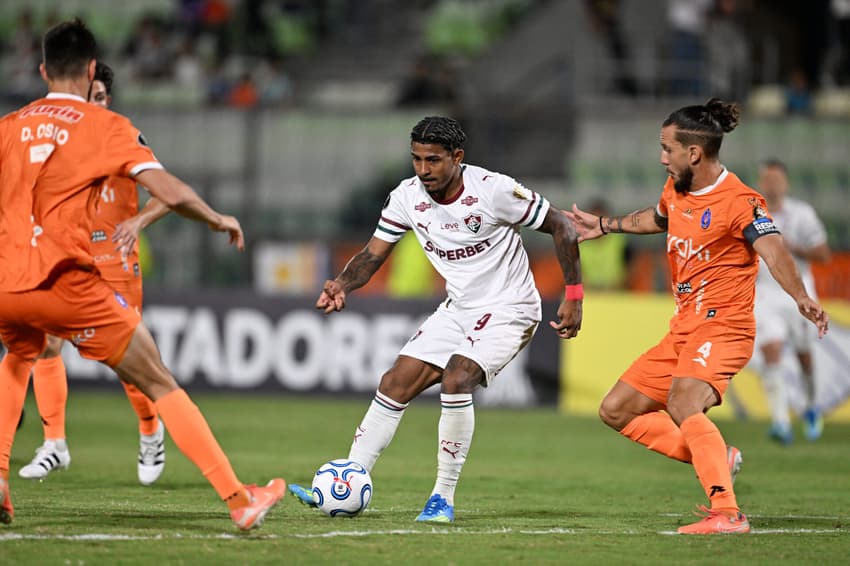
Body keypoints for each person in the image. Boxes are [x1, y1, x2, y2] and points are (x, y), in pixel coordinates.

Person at [0, 19, 285, 530]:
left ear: (42, 69)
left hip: (5, 283)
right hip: (65, 281)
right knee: (158, 380)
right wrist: (218, 218)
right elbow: (170, 191)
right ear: (91, 71)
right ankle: (240, 499)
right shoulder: (104, 125)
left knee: (20, 355)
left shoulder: (9, 125)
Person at [288, 116, 583, 522]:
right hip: (459, 308)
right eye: (416, 159)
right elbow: (374, 253)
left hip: (510, 309)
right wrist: (342, 284)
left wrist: (574, 296)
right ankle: (348, 481)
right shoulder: (407, 196)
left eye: (433, 160)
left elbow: (563, 226)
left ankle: (442, 497)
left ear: (457, 157)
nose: (423, 170)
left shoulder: (494, 191)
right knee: (394, 383)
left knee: (457, 378)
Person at [566, 98, 828, 535]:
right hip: (684, 328)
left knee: (683, 402)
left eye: (667, 148)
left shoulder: (741, 201)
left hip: (725, 327)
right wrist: (606, 225)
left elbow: (775, 251)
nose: (661, 157)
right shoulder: (677, 189)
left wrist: (802, 297)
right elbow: (658, 218)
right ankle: (714, 457)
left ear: (694, 153)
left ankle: (727, 513)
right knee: (615, 410)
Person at [18, 62, 172, 485]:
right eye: (90, 96)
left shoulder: (123, 136)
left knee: (129, 364)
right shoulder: (58, 142)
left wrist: (137, 222)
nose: (94, 103)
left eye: (101, 97)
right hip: (68, 258)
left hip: (117, 265)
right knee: (47, 344)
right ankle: (54, 444)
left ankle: (149, 430)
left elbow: (167, 192)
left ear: (110, 100)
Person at [753, 159, 831, 444]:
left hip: (800, 291)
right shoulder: (753, 213)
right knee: (770, 349)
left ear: (785, 183)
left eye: (776, 178)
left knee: (804, 355)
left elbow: (823, 254)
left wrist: (790, 247)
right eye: (766, 178)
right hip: (765, 293)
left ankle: (811, 407)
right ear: (761, 182)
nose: (771, 184)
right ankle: (781, 422)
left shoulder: (802, 214)